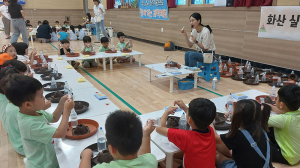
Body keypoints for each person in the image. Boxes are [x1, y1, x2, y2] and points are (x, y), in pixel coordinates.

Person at [2, 74, 74, 168]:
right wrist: (67, 111)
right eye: (41, 96)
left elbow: (54, 118)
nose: (44, 98)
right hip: (43, 165)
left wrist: (61, 103)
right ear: (28, 105)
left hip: (48, 158)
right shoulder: (29, 124)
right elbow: (60, 133)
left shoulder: (34, 111)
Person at [79, 110, 158, 168]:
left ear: (111, 149)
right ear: (139, 143)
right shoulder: (152, 161)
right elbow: (146, 156)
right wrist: (146, 135)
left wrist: (87, 154)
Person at [156, 98, 217, 168]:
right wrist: (184, 107)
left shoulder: (186, 136)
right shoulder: (211, 131)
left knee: (162, 159)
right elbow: (201, 116)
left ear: (189, 119)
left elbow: (159, 128)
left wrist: (167, 112)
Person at [213, 99, 273, 168]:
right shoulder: (262, 130)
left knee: (216, 154)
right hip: (265, 166)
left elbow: (214, 138)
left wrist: (209, 121)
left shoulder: (238, 135)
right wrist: (235, 119)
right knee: (229, 149)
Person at [267, 84, 300, 165]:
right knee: (271, 129)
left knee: (256, 143)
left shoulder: (282, 120)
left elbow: (260, 121)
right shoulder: (296, 113)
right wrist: (271, 107)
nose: (276, 100)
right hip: (296, 154)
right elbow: (283, 111)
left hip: (288, 157)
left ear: (281, 104)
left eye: (277, 98)